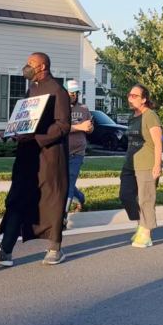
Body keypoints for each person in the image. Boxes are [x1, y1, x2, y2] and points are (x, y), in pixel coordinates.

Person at [0, 53, 71, 266]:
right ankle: (5, 251)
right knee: (16, 199)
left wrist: (37, 137)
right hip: (27, 154)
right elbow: (26, 119)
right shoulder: (31, 90)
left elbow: (63, 125)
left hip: (49, 155)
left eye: (31, 63)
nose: (26, 66)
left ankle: (54, 248)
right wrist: (12, 131)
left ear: (42, 66)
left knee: (51, 200)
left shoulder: (58, 91)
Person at [119, 84, 163, 249]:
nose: (130, 98)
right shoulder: (133, 117)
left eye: (134, 96)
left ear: (144, 99)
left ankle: (146, 233)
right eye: (129, 95)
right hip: (130, 164)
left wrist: (157, 165)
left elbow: (158, 141)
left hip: (146, 164)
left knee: (146, 199)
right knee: (125, 195)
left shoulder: (150, 116)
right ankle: (141, 224)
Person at [63, 80, 93, 226]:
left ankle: (63, 217)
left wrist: (88, 128)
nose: (74, 95)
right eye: (71, 93)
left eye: (76, 93)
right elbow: (60, 129)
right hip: (61, 152)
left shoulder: (84, 109)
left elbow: (90, 128)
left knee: (68, 183)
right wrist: (80, 126)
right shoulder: (59, 109)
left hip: (77, 153)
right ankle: (80, 198)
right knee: (64, 183)